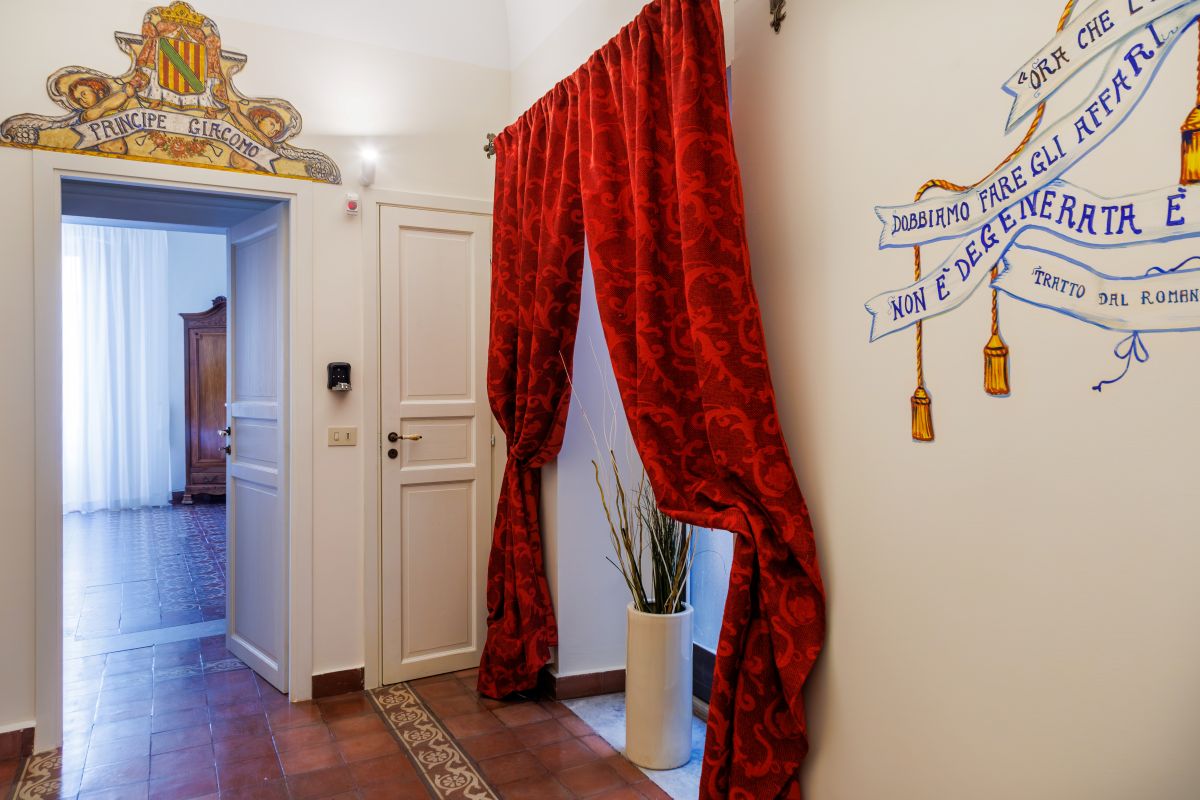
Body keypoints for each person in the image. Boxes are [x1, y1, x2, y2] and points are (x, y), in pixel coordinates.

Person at [67, 77, 136, 155]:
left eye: (84, 94)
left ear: (100, 92)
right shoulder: (86, 114)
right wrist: (125, 94)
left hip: (122, 155)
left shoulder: (114, 107)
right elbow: (101, 108)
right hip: (101, 154)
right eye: (78, 99)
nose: (82, 100)